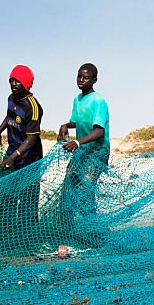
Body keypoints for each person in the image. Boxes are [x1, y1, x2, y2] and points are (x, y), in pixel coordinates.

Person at [57, 62, 110, 219]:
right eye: (79, 76)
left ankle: (90, 228)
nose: (81, 80)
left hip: (97, 152)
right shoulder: (77, 100)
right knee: (69, 184)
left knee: (86, 188)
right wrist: (65, 125)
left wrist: (78, 142)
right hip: (82, 150)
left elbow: (99, 131)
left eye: (85, 77)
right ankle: (66, 225)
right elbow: (77, 121)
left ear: (94, 80)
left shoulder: (98, 101)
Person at [0, 64, 44, 223]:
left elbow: (31, 140)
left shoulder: (33, 107)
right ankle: (1, 228)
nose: (13, 84)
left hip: (29, 158)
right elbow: (9, 116)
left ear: (26, 83)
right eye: (11, 80)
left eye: (18, 81)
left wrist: (13, 158)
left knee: (27, 197)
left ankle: (26, 234)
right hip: (13, 149)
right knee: (5, 192)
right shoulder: (11, 98)